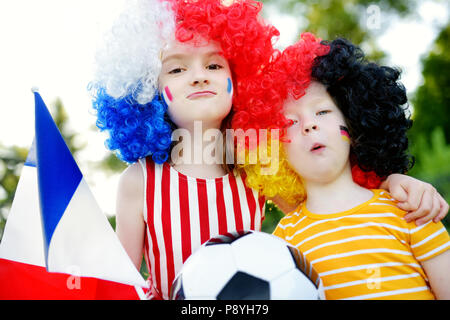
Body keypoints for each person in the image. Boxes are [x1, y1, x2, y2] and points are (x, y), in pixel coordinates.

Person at [90, 0, 448, 299]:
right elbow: (119, 282)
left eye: (214, 64)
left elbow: (330, 202)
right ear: (146, 91)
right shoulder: (140, 181)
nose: (199, 76)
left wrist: (396, 182)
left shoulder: (254, 167)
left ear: (238, 80)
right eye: (177, 69)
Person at [251, 35, 450, 299]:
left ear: (354, 126)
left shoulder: (409, 209)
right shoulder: (284, 240)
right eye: (290, 123)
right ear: (275, 150)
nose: (309, 125)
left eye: (322, 112)